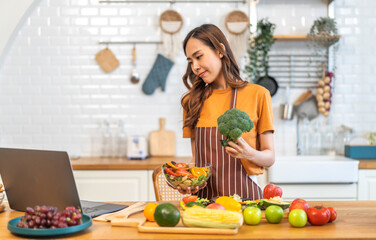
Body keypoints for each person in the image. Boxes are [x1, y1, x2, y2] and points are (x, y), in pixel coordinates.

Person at [179, 24, 275, 200]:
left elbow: (269, 158)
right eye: (190, 61)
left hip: (247, 204)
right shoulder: (191, 102)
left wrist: (250, 154)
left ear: (220, 51)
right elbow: (196, 161)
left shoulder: (258, 94)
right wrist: (190, 181)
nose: (195, 67)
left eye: (199, 57)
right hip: (205, 204)